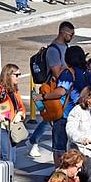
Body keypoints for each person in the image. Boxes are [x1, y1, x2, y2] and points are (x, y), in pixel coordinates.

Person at [27, 21, 74, 158]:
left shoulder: (64, 46)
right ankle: (34, 141)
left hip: (61, 88)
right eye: (70, 34)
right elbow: (56, 72)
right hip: (54, 88)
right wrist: (69, 70)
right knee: (53, 116)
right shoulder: (54, 50)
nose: (72, 36)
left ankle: (33, 140)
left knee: (51, 117)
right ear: (63, 32)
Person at [0, 64, 26, 163]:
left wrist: (20, 115)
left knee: (11, 158)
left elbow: (21, 107)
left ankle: (8, 177)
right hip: (0, 128)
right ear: (8, 75)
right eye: (16, 75)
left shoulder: (14, 90)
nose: (18, 77)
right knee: (6, 156)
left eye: (19, 75)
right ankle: (5, 177)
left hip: (11, 127)